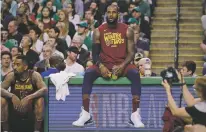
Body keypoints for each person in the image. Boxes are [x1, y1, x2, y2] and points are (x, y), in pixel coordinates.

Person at [72, 5, 144, 128]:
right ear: (106, 14)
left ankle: (135, 114)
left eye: (114, 12)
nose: (111, 15)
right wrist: (100, 66)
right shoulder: (99, 31)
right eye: (109, 12)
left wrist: (122, 65)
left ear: (118, 14)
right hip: (105, 64)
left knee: (135, 74)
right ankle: (85, 114)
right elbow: (94, 54)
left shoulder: (127, 30)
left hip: (123, 63)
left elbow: (132, 52)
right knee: (88, 73)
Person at [1, 55, 48, 132]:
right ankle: (5, 130)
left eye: (18, 65)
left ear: (25, 67)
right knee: (2, 100)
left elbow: (44, 89)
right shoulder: (11, 75)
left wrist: (29, 97)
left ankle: (37, 130)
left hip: (30, 108)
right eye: (14, 64)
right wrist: (12, 96)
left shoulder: (34, 75)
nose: (14, 67)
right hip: (15, 107)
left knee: (40, 100)